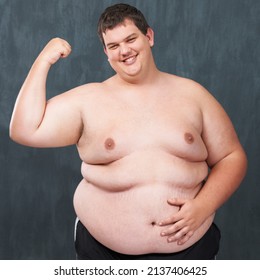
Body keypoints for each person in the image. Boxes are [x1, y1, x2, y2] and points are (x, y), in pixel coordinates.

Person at [9, 3, 247, 260]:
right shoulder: (89, 100)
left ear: (149, 37)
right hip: (103, 254)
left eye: (131, 39)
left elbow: (231, 157)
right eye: (113, 46)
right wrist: (43, 60)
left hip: (191, 253)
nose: (124, 51)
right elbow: (24, 130)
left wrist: (203, 206)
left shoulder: (193, 95)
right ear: (106, 53)